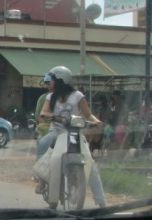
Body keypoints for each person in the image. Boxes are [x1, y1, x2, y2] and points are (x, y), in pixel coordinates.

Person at [35, 66, 107, 207]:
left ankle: (102, 202)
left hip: (74, 133)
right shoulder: (50, 97)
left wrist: (96, 121)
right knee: (43, 143)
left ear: (59, 80)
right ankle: (41, 179)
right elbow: (44, 112)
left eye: (51, 80)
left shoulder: (78, 96)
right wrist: (50, 116)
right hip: (56, 132)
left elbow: (87, 114)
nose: (48, 83)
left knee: (90, 165)